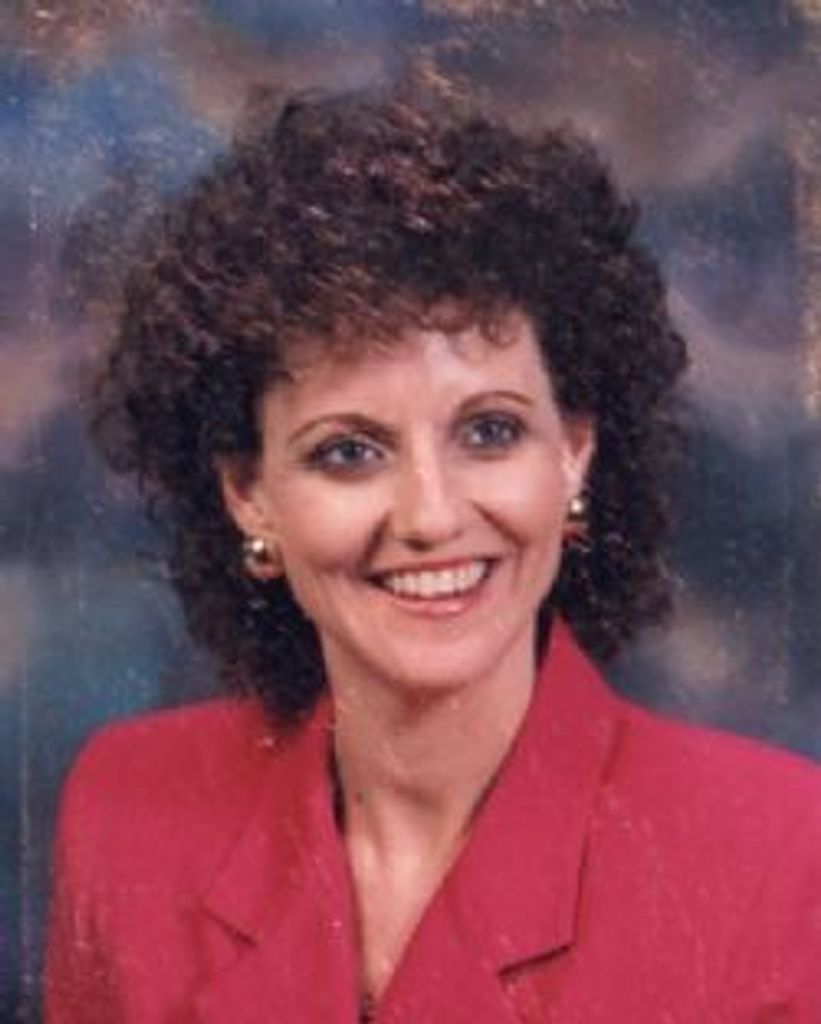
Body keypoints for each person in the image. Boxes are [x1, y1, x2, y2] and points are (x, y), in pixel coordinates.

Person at [45, 90, 821, 1022]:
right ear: (249, 494)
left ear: (573, 454)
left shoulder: (781, 858)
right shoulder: (129, 809)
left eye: (489, 432)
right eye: (348, 451)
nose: (430, 515)